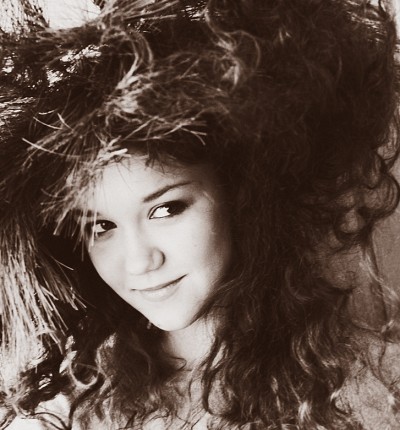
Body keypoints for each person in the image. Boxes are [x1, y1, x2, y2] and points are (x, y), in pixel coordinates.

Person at [1, 0, 400, 428]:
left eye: (165, 209)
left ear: (241, 195)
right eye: (101, 226)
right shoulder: (68, 408)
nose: (138, 262)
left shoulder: (380, 384)